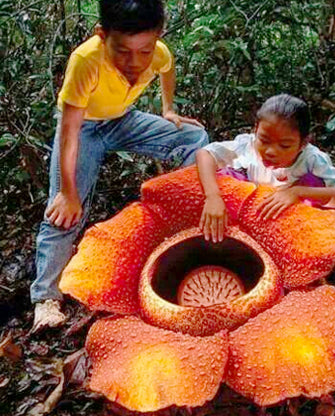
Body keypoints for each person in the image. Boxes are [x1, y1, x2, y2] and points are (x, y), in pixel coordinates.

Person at [31, 0, 209, 332]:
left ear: (157, 36)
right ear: (102, 35)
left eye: (144, 51)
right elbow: (69, 131)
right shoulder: (86, 60)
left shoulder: (158, 52)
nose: (135, 62)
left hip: (121, 120)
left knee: (194, 138)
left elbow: (167, 68)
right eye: (123, 51)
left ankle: (181, 219)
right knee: (65, 211)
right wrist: (69, 193)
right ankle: (46, 299)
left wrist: (168, 109)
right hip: (83, 129)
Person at [196, 93, 335, 243]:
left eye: (284, 145)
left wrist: (297, 192)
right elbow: (206, 154)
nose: (271, 151)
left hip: (295, 222)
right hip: (252, 216)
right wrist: (213, 196)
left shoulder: (312, 159)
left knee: (314, 182)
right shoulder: (248, 145)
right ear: (255, 130)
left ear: (303, 143)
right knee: (225, 176)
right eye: (264, 140)